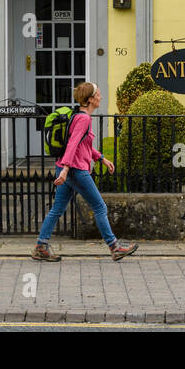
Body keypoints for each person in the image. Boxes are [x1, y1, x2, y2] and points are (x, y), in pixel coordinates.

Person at [32, 81, 137, 261]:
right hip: (76, 170)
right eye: (98, 95)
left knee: (57, 209)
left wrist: (101, 158)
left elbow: (82, 145)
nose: (100, 97)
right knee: (100, 207)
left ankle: (41, 246)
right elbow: (72, 145)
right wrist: (66, 170)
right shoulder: (84, 119)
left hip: (67, 167)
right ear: (90, 100)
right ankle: (114, 247)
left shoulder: (78, 116)